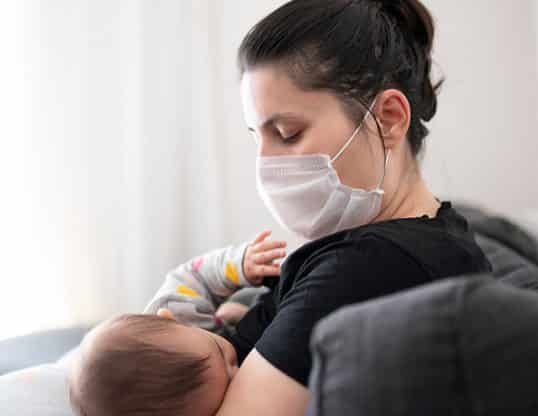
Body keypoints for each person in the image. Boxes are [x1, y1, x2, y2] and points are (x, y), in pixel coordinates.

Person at [206, 0, 493, 414]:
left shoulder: (368, 267)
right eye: (257, 138)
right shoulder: (436, 232)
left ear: (390, 118)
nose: (264, 163)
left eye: (287, 133)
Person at [67, 231, 286, 416]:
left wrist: (238, 265)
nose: (237, 374)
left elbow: (197, 275)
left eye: (221, 353)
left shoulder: (176, 307)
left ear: (170, 319)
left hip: (219, 309)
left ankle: (228, 315)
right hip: (227, 326)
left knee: (240, 302)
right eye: (223, 395)